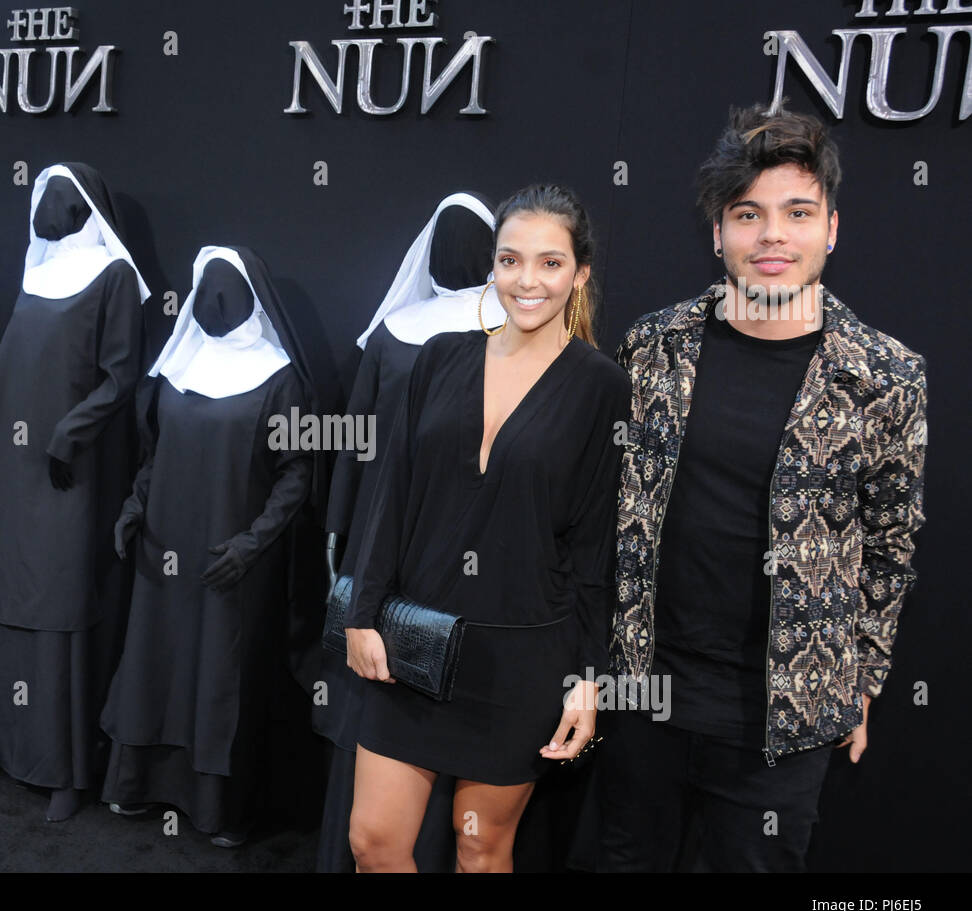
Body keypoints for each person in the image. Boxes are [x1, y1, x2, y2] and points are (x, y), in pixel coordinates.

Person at [598, 103, 928, 872]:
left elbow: (890, 542)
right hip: (643, 694)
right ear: (717, 232)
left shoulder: (884, 375)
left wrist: (861, 678)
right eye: (748, 213)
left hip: (784, 718)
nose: (772, 234)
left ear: (832, 228)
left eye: (797, 212)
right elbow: (608, 510)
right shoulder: (653, 346)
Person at [343, 184, 631, 872]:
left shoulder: (602, 387)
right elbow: (389, 495)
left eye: (550, 263)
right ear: (492, 266)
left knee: (481, 848)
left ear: (580, 272)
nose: (527, 280)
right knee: (374, 841)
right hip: (410, 640)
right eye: (510, 259)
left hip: (521, 658)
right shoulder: (439, 358)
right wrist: (361, 613)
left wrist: (589, 678)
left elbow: (598, 547)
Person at [0, 163, 149, 822]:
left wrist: (70, 431)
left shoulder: (112, 276)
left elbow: (121, 377)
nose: (45, 205)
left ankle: (63, 768)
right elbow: (13, 365)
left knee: (56, 600)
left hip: (68, 471)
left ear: (85, 206)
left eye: (60, 195)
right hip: (8, 461)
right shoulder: (37, 271)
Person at [100, 245, 320, 846]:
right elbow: (156, 453)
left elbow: (297, 472)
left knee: (219, 679)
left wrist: (252, 544)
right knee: (155, 667)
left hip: (229, 560)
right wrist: (134, 506)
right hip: (162, 552)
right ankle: (139, 784)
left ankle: (218, 808)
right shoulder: (178, 366)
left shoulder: (280, 379)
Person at [315, 191, 498, 873]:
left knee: (384, 693)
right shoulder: (505, 334)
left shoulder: (395, 332)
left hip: (376, 543)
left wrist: (339, 536)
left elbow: (353, 450)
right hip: (460, 551)